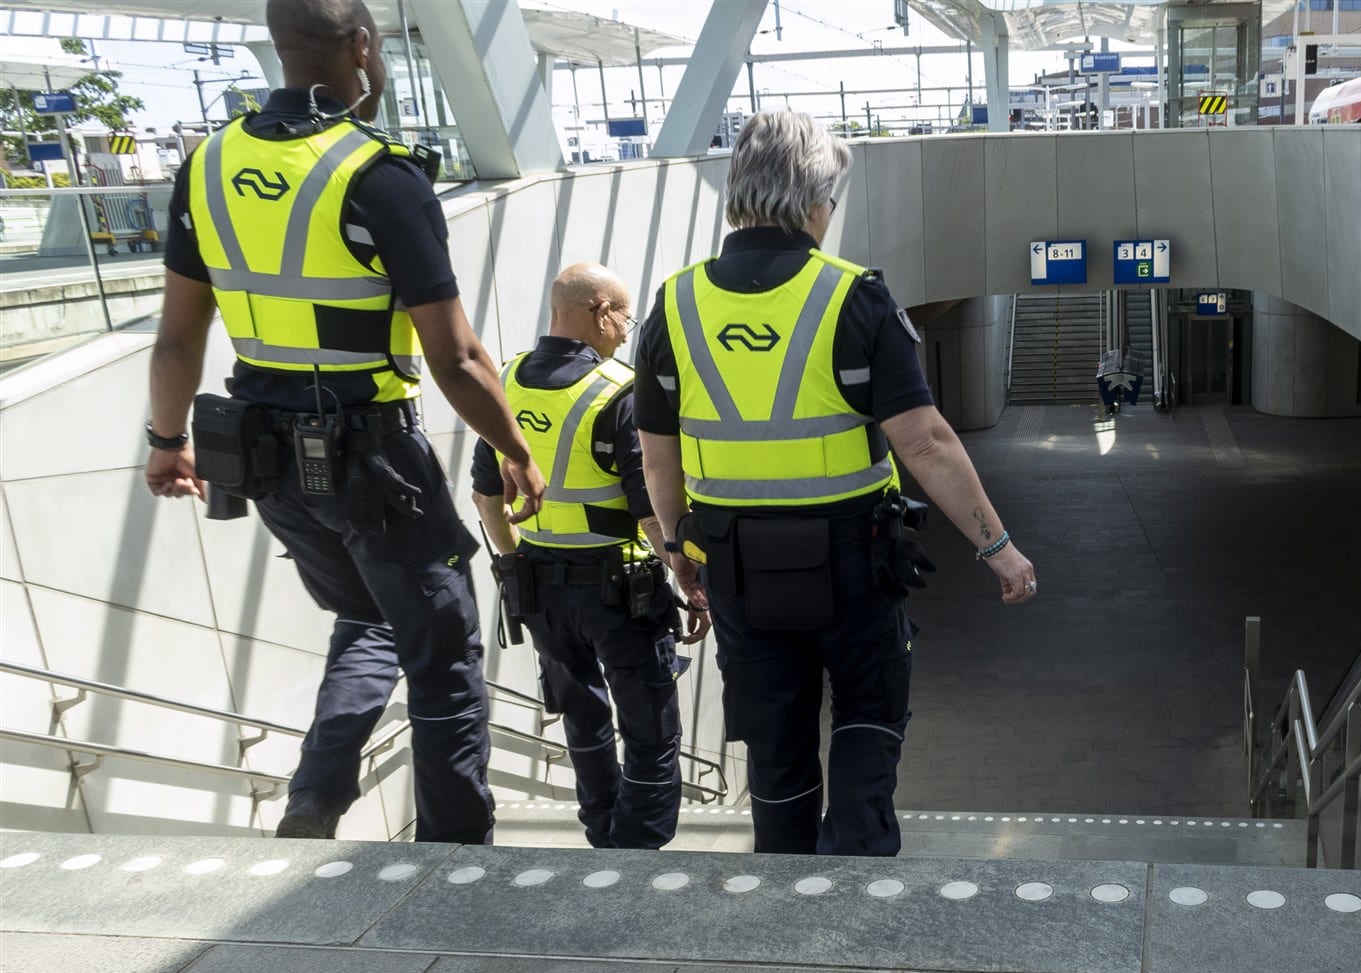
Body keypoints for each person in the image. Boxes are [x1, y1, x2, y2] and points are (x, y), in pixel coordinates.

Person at [144, 0, 544, 843]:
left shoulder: (207, 166)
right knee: (443, 654)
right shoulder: (381, 175)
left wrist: (167, 442)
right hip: (371, 459)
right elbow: (457, 357)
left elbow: (178, 337)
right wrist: (513, 447)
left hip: (261, 458)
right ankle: (457, 860)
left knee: (368, 615)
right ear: (361, 47)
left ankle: (315, 796)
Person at [636, 110, 1036, 857]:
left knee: (775, 749)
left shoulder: (676, 304)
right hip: (855, 565)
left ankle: (786, 900)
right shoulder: (854, 296)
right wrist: (999, 548)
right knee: (866, 725)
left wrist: (675, 551)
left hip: (736, 571)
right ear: (816, 198)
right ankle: (855, 891)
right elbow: (925, 442)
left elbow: (658, 460)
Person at [471, 264, 703, 850]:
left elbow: (485, 495)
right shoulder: (619, 392)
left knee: (582, 719)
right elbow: (650, 512)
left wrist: (513, 565)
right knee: (649, 727)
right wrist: (690, 582)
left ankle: (602, 834)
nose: (626, 331)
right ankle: (637, 850)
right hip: (621, 593)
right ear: (601, 313)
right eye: (624, 317)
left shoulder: (506, 381)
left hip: (541, 588)